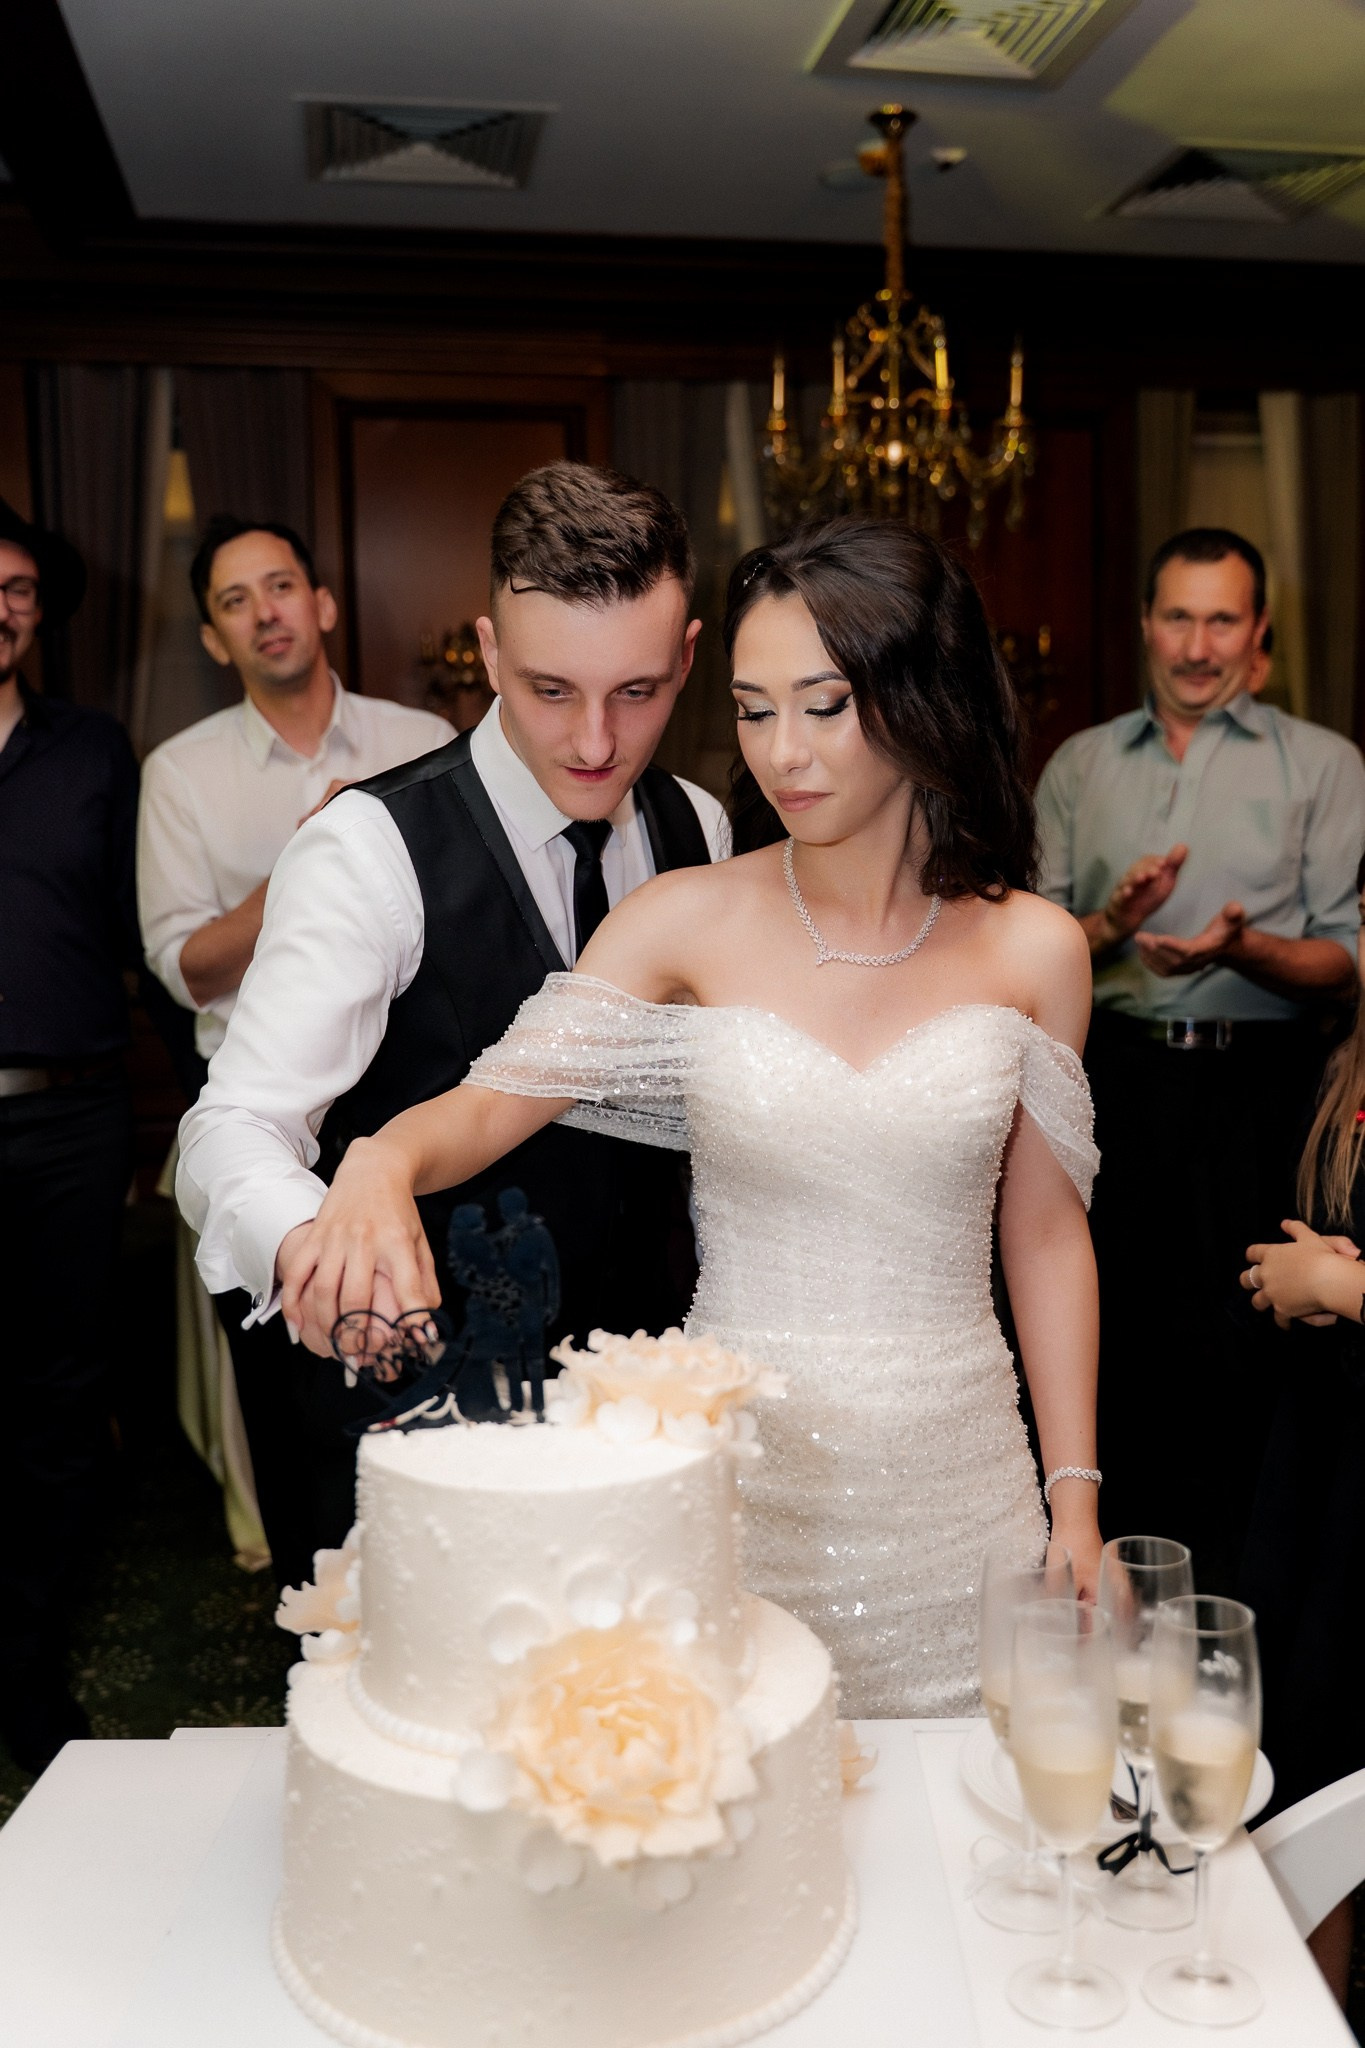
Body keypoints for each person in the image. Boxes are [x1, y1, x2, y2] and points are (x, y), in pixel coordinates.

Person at [279, 519, 1103, 1718]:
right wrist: (379, 1156)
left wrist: (1075, 1495)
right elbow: (491, 1104)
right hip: (739, 1480)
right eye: (754, 709)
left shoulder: (1038, 949)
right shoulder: (683, 918)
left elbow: (1046, 1234)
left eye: (824, 706)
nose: (782, 752)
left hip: (964, 1486)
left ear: (924, 696)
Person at [176, 465, 727, 1597]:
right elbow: (230, 1126)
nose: (594, 739)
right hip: (419, 1394)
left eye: (636, 691)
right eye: (549, 689)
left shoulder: (702, 828)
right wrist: (311, 1246)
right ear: (488, 650)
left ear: (686, 658)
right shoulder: (369, 847)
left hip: (638, 1396)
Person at [1036, 528, 1364, 1591]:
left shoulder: (1325, 764)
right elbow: (1028, 947)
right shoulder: (1080, 764)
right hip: (1113, 1081)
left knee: (1253, 1344)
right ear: (1145, 623)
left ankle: (1238, 1601)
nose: (1195, 645)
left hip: (1267, 1089)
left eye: (1222, 620)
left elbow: (1348, 959)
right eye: (1177, 616)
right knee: (1115, 1338)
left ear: (1259, 631)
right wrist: (1112, 922)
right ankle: (1110, 1588)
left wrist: (1242, 947)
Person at [138, 514, 453, 1592]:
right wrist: (322, 859)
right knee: (290, 1412)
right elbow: (185, 968)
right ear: (215, 638)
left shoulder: (422, 737)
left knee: (424, 1393)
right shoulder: (180, 774)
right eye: (235, 600)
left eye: (280, 586)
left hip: (417, 1110)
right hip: (258, 1121)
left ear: (321, 604)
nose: (265, 612)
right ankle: (311, 1620)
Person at [0, 500, 140, 1774]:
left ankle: (27, 1665)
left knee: (59, 1398)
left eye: (18, 588)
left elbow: (135, 932)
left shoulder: (94, 750)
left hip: (73, 1117)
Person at [1238, 844, 1365, 2007]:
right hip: (1322, 1453)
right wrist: (1303, 1278)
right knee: (1303, 1757)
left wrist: (1339, 1284)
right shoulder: (1345, 1060)